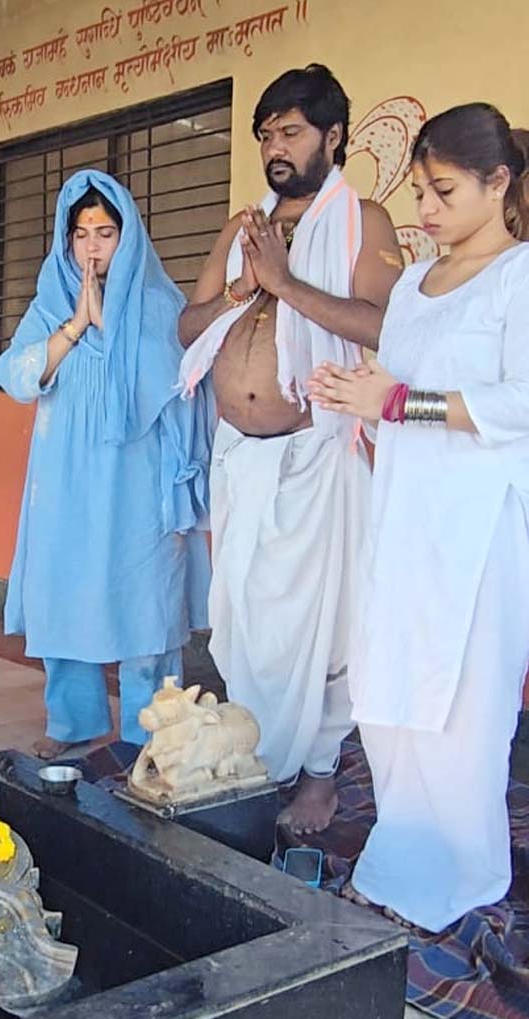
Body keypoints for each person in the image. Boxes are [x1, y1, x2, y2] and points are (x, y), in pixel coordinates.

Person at [308, 103, 529, 931]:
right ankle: (402, 860)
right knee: (391, 688)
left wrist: (403, 400)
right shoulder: (410, 283)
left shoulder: (520, 276)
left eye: (442, 192)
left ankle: (463, 880)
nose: (425, 211)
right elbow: (392, 395)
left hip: (476, 527)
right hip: (402, 516)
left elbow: (520, 400)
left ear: (498, 183)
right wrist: (358, 400)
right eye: (420, 191)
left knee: (462, 705)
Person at [177, 64, 402, 833]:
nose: (275, 145)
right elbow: (188, 327)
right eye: (267, 133)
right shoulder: (244, 227)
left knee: (324, 623)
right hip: (240, 455)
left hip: (317, 454)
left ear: (332, 137)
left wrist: (284, 281)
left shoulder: (365, 221)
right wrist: (245, 286)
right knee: (239, 620)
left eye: (291, 131)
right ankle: (252, 751)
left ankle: (317, 772)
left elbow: (380, 325)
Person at [0, 169, 211, 760]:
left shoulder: (160, 307)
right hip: (67, 486)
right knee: (66, 597)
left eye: (106, 232)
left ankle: (154, 731)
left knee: (148, 605)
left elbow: (187, 397)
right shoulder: (49, 307)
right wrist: (77, 324)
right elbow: (17, 377)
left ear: (129, 237)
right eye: (81, 233)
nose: (92, 247)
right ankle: (75, 725)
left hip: (140, 486)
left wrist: (184, 490)